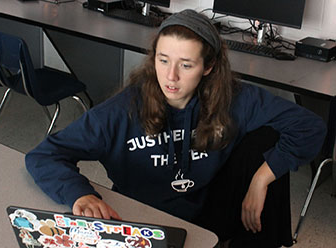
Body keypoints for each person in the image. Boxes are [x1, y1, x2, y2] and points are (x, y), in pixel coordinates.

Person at [26, 9, 326, 248]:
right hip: (140, 218)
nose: (170, 76)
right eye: (163, 60)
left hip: (206, 213)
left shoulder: (233, 98)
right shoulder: (121, 111)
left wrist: (261, 179)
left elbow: (308, 126)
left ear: (207, 67)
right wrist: (81, 195)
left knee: (266, 135)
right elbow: (44, 155)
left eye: (186, 65)